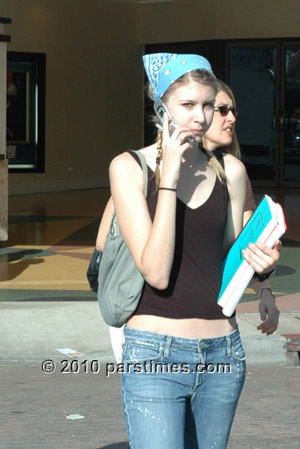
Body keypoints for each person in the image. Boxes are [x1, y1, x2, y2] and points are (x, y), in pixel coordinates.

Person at [103, 53, 281, 449]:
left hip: (223, 352)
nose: (200, 117)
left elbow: (233, 257)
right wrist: (169, 178)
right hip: (153, 354)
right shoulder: (129, 168)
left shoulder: (229, 171)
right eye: (187, 105)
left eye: (207, 104)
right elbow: (156, 272)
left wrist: (264, 272)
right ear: (160, 107)